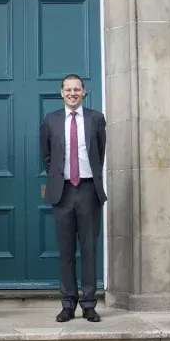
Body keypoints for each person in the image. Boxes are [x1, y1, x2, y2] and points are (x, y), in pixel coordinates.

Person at [40, 74, 107, 323]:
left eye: (76, 89)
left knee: (89, 250)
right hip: (63, 192)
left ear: (84, 92)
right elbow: (47, 157)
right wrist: (58, 179)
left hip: (89, 190)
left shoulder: (96, 118)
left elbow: (101, 150)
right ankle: (68, 303)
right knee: (66, 251)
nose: (72, 93)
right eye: (68, 90)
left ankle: (89, 304)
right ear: (61, 93)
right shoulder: (51, 120)